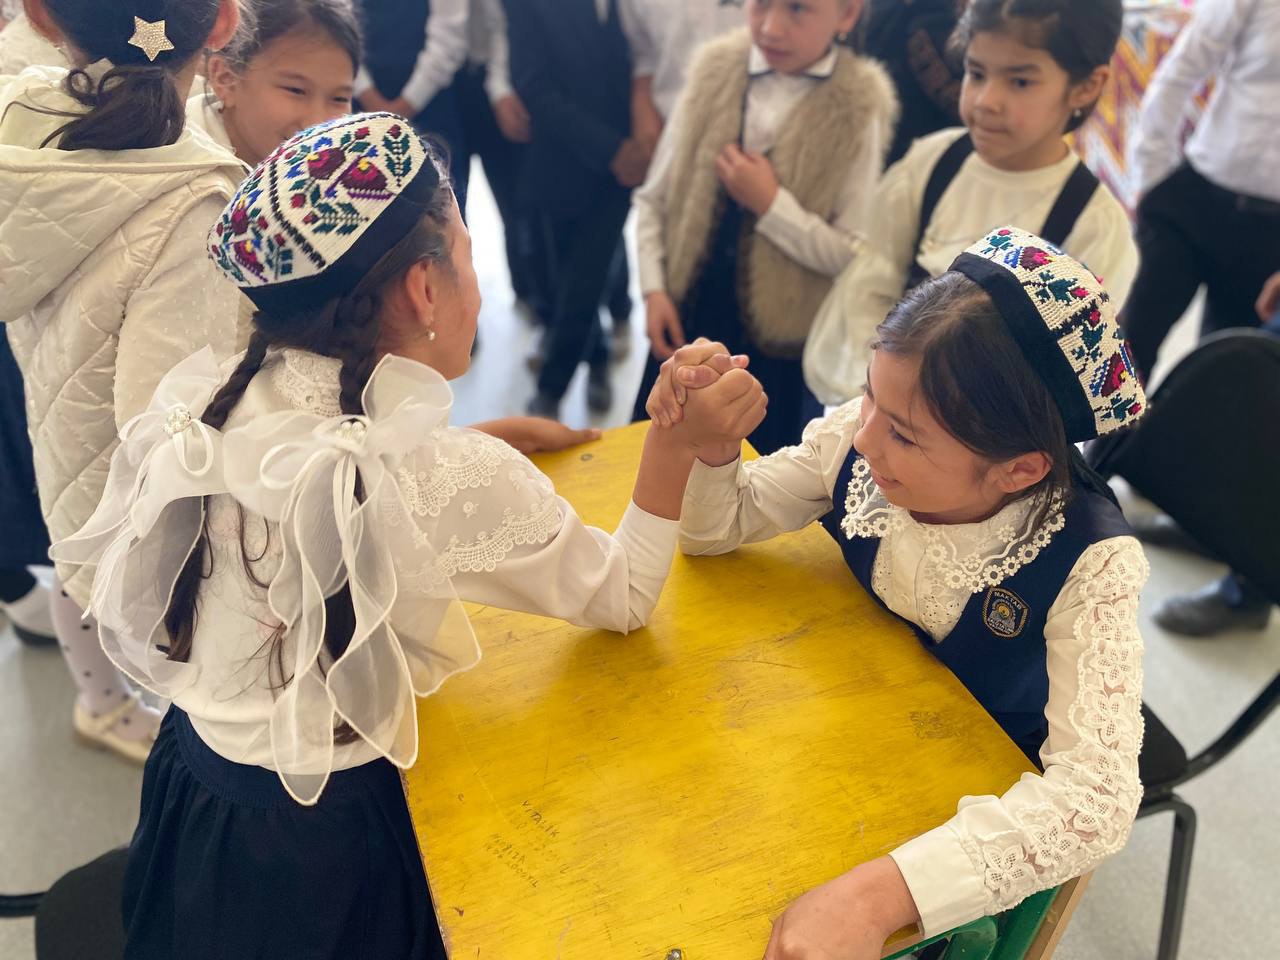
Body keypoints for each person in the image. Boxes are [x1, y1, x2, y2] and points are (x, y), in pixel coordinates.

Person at [52, 112, 767, 958]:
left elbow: (332, 488)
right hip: (332, 859)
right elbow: (625, 596)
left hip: (200, 799)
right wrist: (674, 445)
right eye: (466, 253)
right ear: (426, 289)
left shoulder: (219, 395)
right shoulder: (436, 475)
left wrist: (478, 442)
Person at [649, 227, 1148, 957]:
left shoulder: (1093, 562)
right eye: (868, 396)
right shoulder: (868, 434)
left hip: (967, 810)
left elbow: (1096, 801)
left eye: (906, 437)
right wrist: (716, 444)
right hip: (850, 724)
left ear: (1019, 471)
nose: (867, 441)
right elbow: (715, 527)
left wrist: (880, 896)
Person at [0, 0, 246, 763]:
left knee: (78, 583)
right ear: (224, 23)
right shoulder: (193, 200)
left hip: (68, 461)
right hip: (152, 541)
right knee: (202, 721)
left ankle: (109, 705)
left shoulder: (23, 131)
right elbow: (171, 434)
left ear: (41, 17)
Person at [804, 0, 1136, 407]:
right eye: (976, 73)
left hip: (984, 430)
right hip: (875, 403)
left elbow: (1060, 380)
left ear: (1085, 86)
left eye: (1020, 82)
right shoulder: (931, 164)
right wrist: (879, 394)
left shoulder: (1092, 225)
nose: (985, 100)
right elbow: (869, 285)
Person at [633, 0, 899, 454]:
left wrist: (770, 205)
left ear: (847, 15)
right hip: (690, 322)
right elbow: (653, 197)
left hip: (779, 353)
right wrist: (654, 290)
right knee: (658, 454)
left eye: (797, 9)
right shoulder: (713, 71)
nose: (772, 28)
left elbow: (850, 252)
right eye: (760, 5)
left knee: (758, 473)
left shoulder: (859, 105)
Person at [1124, 0, 1280, 384]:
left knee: (1225, 378)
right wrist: (1151, 175)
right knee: (1125, 354)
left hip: (1271, 236)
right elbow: (1181, 70)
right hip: (1195, 201)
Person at [513, 0, 643, 419]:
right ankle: (599, 358)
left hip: (626, 166)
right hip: (562, 160)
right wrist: (610, 150)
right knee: (562, 280)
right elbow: (533, 85)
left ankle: (550, 390)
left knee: (586, 278)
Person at [352, 0, 470, 207]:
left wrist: (407, 104)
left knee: (439, 204)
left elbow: (450, 35)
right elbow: (339, 26)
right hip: (360, 103)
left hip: (431, 104)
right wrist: (366, 93)